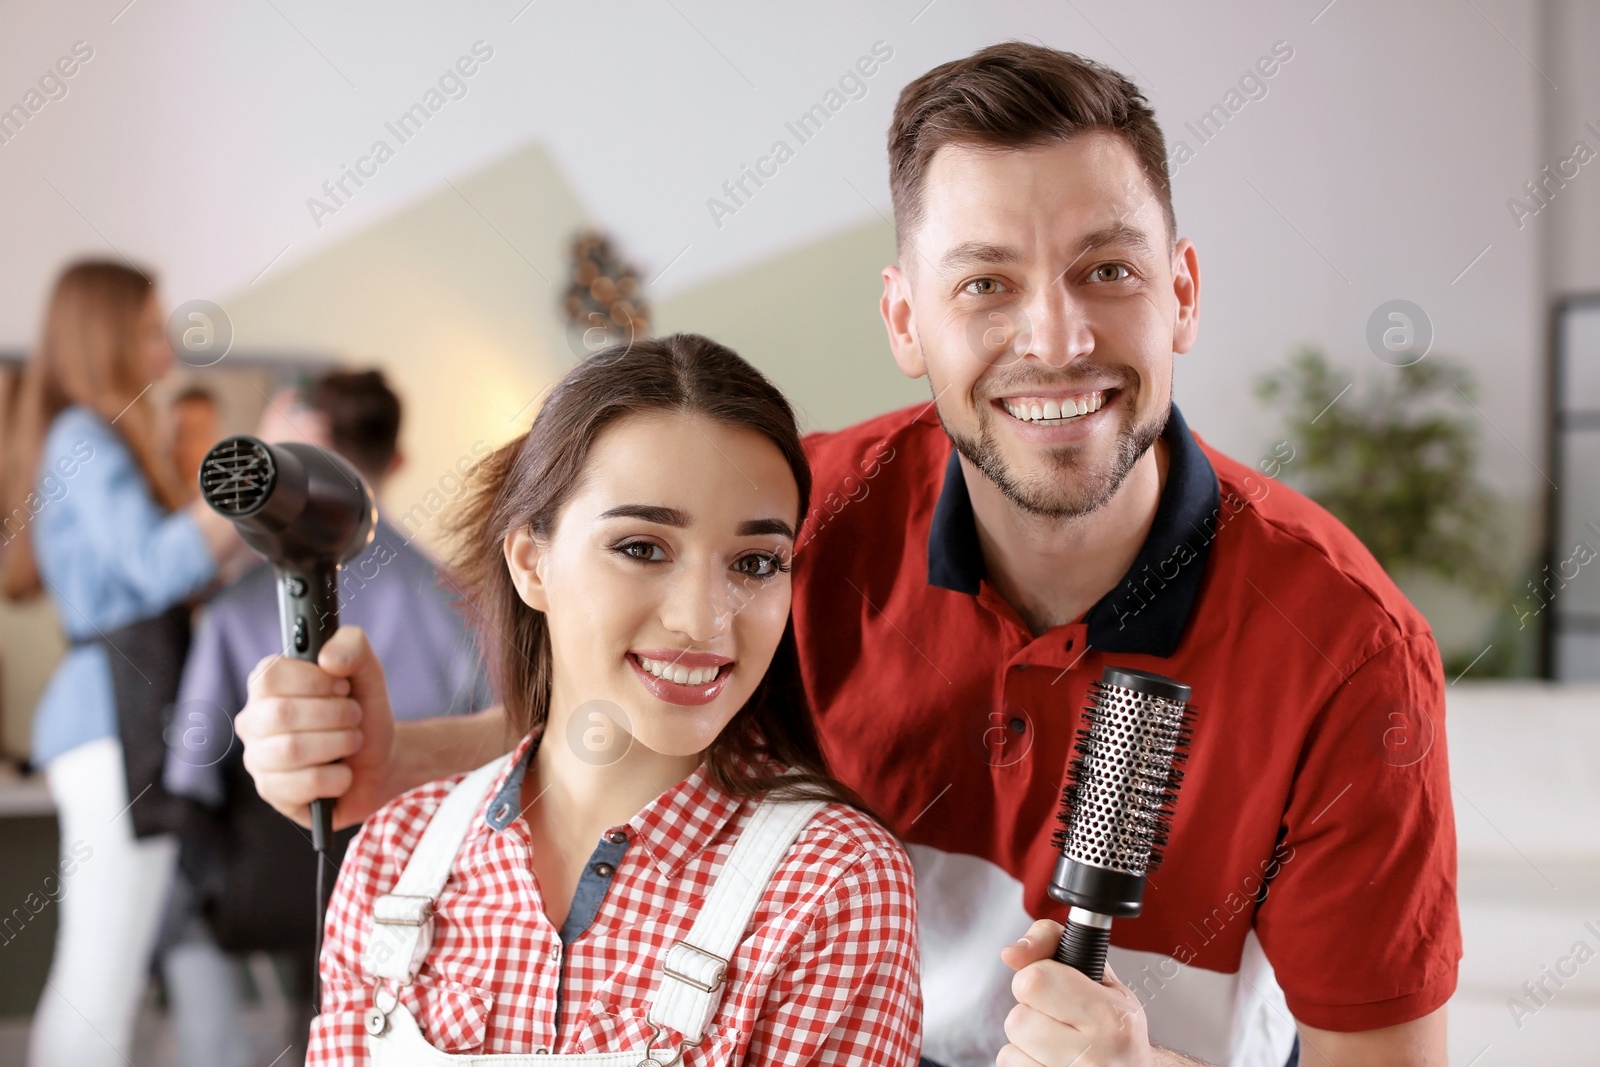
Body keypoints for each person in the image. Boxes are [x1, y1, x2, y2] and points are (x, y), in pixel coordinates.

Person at [238, 44, 1460, 1067]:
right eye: (985, 281)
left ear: (1181, 292)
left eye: (1108, 270)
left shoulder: (1345, 648)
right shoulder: (794, 524)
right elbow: (635, 713)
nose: (1054, 334)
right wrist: (399, 759)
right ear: (903, 319)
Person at [267, 334, 921, 1062]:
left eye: (756, 562)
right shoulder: (396, 852)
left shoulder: (831, 883)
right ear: (530, 561)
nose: (704, 618)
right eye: (642, 547)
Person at [158, 368, 495, 1067]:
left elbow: (190, 769)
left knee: (184, 923)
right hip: (421, 884)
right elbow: (501, 747)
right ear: (397, 461)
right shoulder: (457, 600)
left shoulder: (231, 608)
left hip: (267, 880)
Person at [0, 259, 244, 1067]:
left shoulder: (92, 440)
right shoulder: (81, 437)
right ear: (106, 336)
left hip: (118, 718)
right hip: (113, 719)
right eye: (149, 331)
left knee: (116, 970)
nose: (164, 353)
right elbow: (150, 564)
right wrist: (245, 485)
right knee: (100, 979)